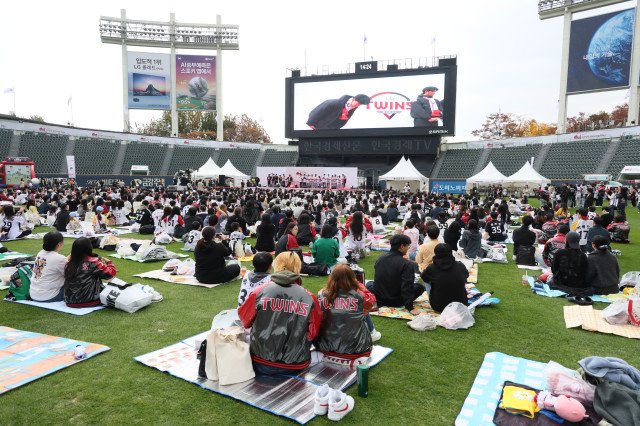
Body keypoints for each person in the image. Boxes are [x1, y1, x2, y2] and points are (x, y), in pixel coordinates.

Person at [238, 251, 322, 375]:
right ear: (297, 267)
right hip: (295, 364)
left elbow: (245, 321)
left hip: (260, 361)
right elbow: (312, 333)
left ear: (276, 265)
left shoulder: (260, 291)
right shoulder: (308, 297)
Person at [315, 264, 376, 361]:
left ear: (332, 277)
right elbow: (372, 301)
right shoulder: (360, 296)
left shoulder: (321, 294)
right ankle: (373, 332)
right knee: (361, 312)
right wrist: (358, 284)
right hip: (356, 349)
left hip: (325, 346)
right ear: (352, 278)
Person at [368, 234, 424, 312]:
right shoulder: (407, 264)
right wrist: (410, 307)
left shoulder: (381, 257)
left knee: (369, 284)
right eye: (408, 246)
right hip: (396, 301)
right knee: (420, 287)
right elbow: (407, 286)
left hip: (379, 298)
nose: (408, 248)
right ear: (402, 246)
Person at [64, 237, 117, 307]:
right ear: (89, 248)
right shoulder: (93, 262)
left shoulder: (68, 263)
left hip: (69, 301)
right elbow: (110, 274)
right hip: (89, 300)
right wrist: (109, 263)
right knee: (115, 289)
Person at [420, 244, 469, 313]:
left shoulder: (431, 268)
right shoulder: (460, 265)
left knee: (427, 281)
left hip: (439, 307)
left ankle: (434, 297)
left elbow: (424, 277)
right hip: (461, 306)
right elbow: (466, 276)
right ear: (451, 253)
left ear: (435, 254)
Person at [29, 232, 67, 303]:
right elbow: (71, 274)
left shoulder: (40, 253)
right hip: (49, 296)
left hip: (34, 294)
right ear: (59, 244)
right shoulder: (59, 259)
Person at [549, 232, 590, 296]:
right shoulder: (583, 255)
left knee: (550, 279)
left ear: (567, 240)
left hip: (562, 282)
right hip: (579, 284)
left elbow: (554, 269)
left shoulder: (559, 253)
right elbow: (585, 271)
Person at [306, 94, 371, 130]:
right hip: (315, 126)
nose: (358, 105)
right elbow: (319, 111)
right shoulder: (335, 103)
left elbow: (345, 120)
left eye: (360, 104)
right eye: (358, 103)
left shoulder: (352, 107)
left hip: (328, 129)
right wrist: (311, 123)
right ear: (353, 99)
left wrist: (336, 128)